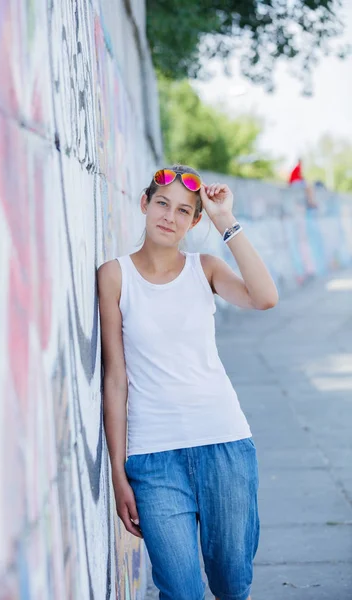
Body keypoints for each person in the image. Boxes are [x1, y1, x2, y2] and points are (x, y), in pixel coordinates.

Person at [97, 164, 279, 600]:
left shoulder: (206, 268)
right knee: (181, 590)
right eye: (162, 203)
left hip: (225, 445)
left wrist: (225, 220)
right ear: (144, 204)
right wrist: (118, 473)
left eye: (183, 211)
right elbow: (115, 380)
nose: (169, 217)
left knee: (232, 585)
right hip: (153, 457)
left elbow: (265, 297)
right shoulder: (114, 275)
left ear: (194, 221)